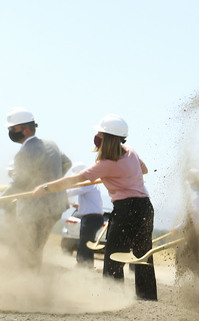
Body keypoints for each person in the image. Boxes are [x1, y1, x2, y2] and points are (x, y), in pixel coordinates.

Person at [33, 114, 158, 300]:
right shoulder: (131, 151)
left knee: (114, 254)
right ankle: (147, 296)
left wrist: (45, 188)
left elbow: (75, 180)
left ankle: (112, 296)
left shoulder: (105, 164)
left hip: (126, 209)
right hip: (145, 207)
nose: (96, 137)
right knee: (143, 253)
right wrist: (123, 175)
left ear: (106, 138)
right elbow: (144, 170)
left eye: (99, 134)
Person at [4, 107, 71, 269]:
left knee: (27, 250)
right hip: (56, 207)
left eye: (13, 129)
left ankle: (27, 285)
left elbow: (18, 184)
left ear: (26, 130)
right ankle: (33, 283)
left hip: (34, 212)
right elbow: (67, 163)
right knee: (36, 249)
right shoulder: (51, 145)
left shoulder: (24, 153)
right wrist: (49, 182)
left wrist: (2, 200)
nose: (11, 132)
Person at [64, 163, 105, 266]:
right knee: (87, 243)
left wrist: (58, 192)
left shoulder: (88, 182)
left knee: (84, 243)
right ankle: (87, 266)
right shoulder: (90, 184)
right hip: (92, 218)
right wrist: (79, 206)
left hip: (91, 218)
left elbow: (73, 191)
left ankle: (82, 265)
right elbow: (90, 202)